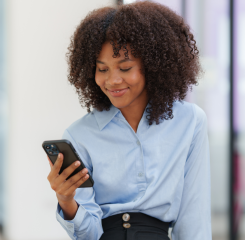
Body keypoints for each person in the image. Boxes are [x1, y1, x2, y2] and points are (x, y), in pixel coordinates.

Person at [46, 2, 211, 240]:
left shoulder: (190, 122)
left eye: (125, 68)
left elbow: (194, 220)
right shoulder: (79, 135)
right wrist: (66, 200)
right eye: (102, 70)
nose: (112, 80)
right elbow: (89, 235)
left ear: (152, 65)